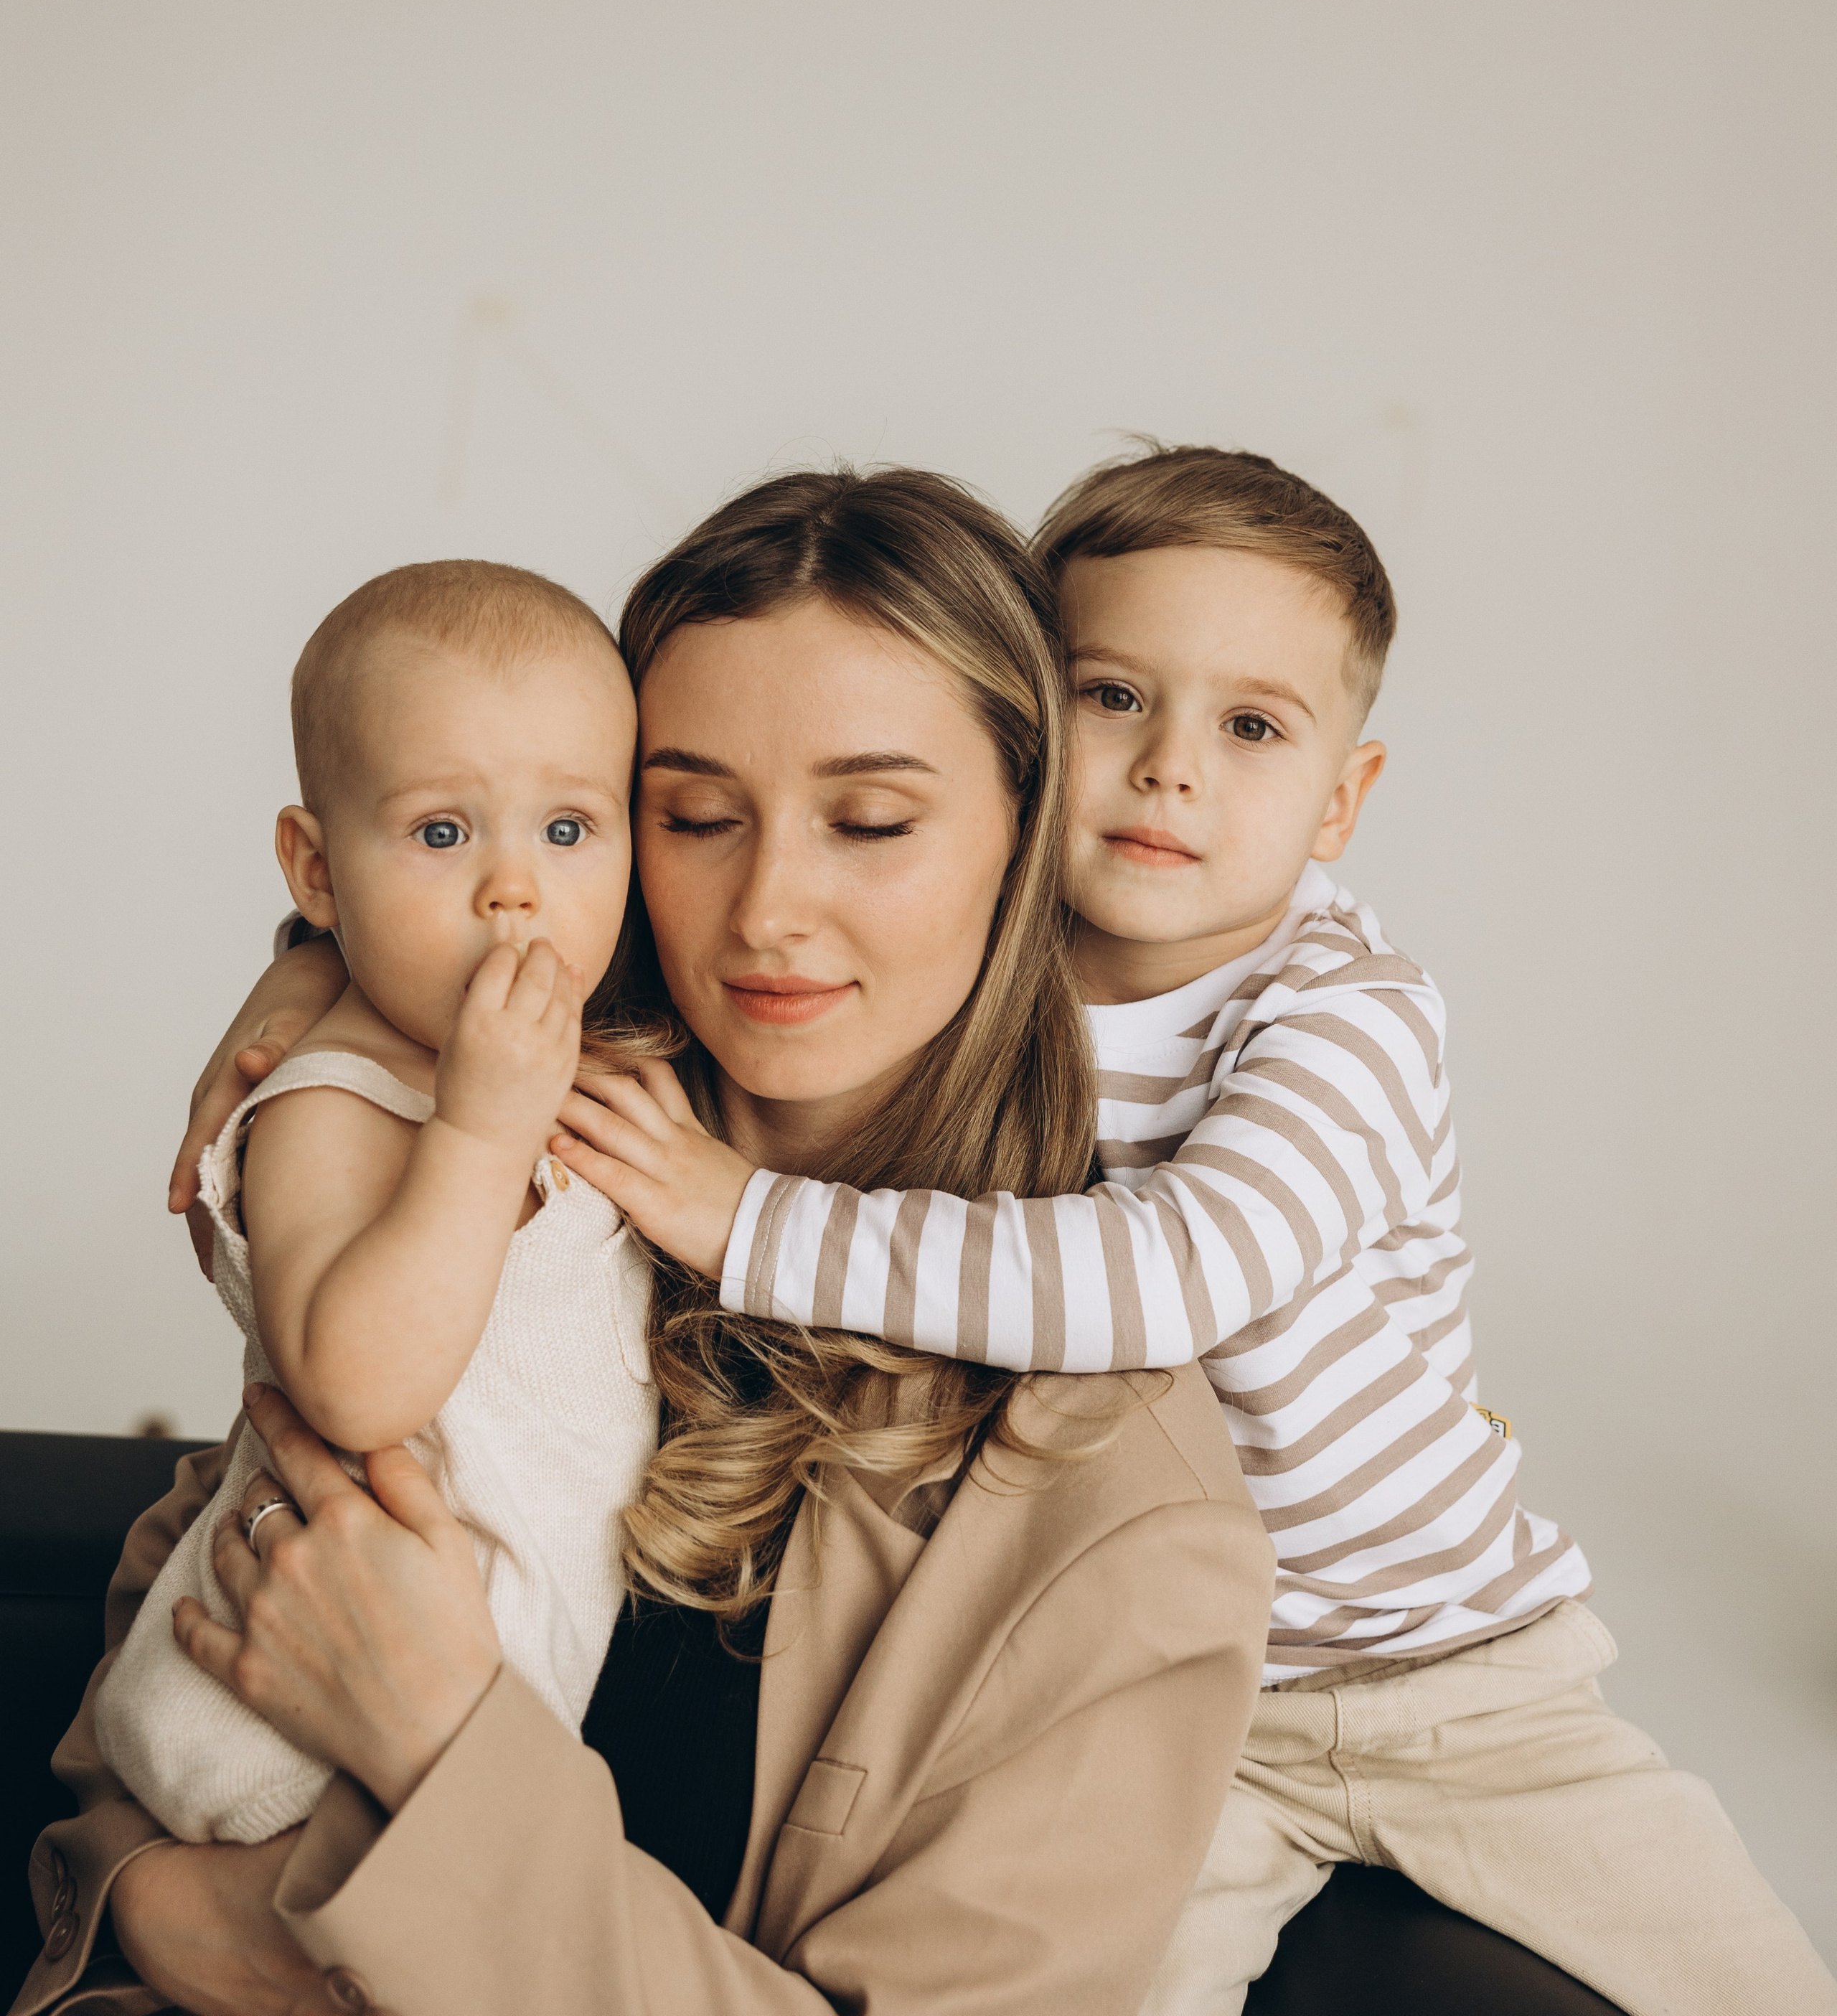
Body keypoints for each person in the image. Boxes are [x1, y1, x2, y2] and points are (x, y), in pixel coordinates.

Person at [545, 444, 1836, 2016]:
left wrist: (743, 1219)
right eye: (1113, 698)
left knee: (1744, 1982)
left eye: (1250, 727)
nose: (1170, 770)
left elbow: (1170, 1280)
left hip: (1451, 1670)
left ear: (1342, 798)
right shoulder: (990, 973)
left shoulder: (1346, 1015)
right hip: (1181, 1703)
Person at [15, 468, 1274, 2016]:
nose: (765, 910)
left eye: (871, 820)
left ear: (1027, 843)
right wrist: (142, 1896)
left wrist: (437, 1746)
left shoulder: (1119, 1504)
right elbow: (207, 1586)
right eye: (693, 817)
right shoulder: (521, 1159)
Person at [93, 560, 658, 1847]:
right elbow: (354, 1385)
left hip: (471, 1714)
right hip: (295, 1739)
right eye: (442, 833)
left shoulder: (587, 1044)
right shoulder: (329, 1099)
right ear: (316, 870)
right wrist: (479, 1131)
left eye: (570, 830)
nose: (515, 889)